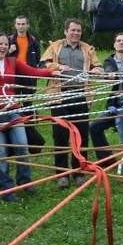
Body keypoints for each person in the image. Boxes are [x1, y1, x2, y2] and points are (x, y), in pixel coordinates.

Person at [0, 32, 61, 202]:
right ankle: (7, 190)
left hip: (13, 110)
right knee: (1, 152)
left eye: (5, 44)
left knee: (22, 145)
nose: (3, 47)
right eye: (0, 44)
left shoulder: (12, 61)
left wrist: (52, 72)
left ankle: (25, 182)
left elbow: (32, 72)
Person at [41, 18, 104, 189]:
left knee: (81, 135)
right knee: (60, 135)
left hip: (81, 95)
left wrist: (97, 70)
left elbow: (98, 66)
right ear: (65, 31)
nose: (76, 33)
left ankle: (78, 171)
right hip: (59, 96)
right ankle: (62, 174)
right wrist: (58, 67)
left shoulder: (87, 48)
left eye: (78, 31)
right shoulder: (55, 47)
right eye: (73, 30)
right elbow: (44, 64)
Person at [90, 33, 123, 176]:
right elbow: (107, 69)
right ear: (114, 45)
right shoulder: (110, 60)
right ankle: (107, 161)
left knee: (122, 124)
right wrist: (109, 74)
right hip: (114, 105)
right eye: (118, 41)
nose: (121, 43)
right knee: (94, 126)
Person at [8, 15, 46, 152]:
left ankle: (30, 131)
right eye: (18, 24)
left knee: (28, 103)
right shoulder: (9, 40)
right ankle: (18, 128)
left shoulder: (34, 40)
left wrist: (36, 71)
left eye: (23, 24)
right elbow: (1, 56)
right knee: (15, 103)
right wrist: (8, 51)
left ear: (28, 25)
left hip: (29, 74)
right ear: (15, 25)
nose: (21, 26)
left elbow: (38, 59)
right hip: (14, 74)